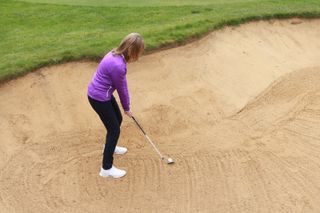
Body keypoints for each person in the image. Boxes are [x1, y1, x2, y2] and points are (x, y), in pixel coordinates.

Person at [87, 33, 144, 178]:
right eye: (138, 52)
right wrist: (127, 108)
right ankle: (106, 168)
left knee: (117, 119)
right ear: (131, 51)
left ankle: (109, 147)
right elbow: (122, 89)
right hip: (99, 98)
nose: (138, 57)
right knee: (114, 130)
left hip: (100, 94)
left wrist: (124, 110)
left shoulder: (114, 54)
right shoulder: (118, 66)